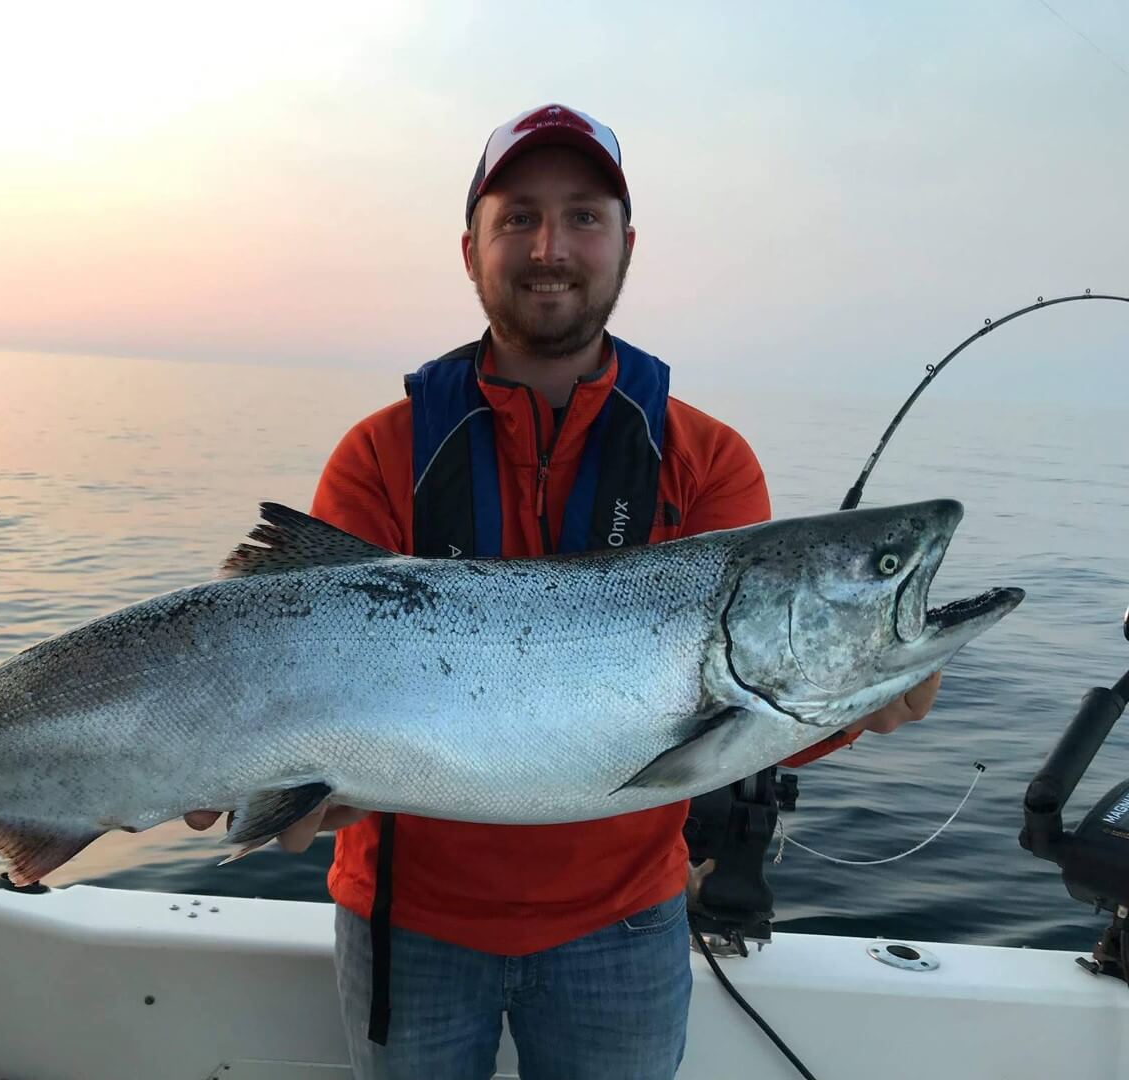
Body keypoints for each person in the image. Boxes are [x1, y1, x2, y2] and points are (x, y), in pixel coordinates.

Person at [187, 103, 940, 1080]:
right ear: (471, 250)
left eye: (584, 216)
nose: (551, 247)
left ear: (628, 245)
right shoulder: (381, 454)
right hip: (404, 925)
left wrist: (856, 703)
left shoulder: (707, 462)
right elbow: (309, 687)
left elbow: (741, 702)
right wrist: (279, 785)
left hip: (621, 926)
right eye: (518, 218)